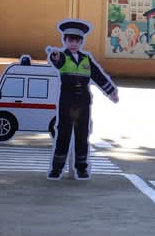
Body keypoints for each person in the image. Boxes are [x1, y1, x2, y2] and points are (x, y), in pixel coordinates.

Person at [46, 19, 118, 181]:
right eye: (70, 40)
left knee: (82, 135)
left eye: (77, 41)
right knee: (63, 134)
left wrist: (111, 91)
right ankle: (57, 168)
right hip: (67, 100)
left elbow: (98, 76)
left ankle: (81, 168)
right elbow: (57, 61)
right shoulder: (63, 56)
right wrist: (54, 56)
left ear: (81, 42)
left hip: (83, 101)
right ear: (65, 40)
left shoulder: (86, 59)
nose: (74, 44)